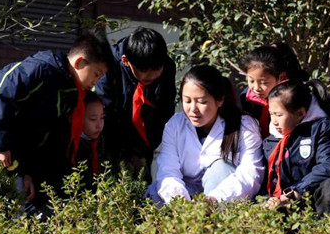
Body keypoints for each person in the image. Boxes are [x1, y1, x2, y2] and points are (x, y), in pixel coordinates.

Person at [0, 32, 111, 213]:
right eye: (96, 74)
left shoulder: (69, 89)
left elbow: (39, 134)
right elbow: (3, 95)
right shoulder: (41, 68)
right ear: (79, 62)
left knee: (10, 209)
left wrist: (26, 172)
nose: (97, 82)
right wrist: (0, 146)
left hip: (9, 148)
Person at [148, 65, 264, 204]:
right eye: (187, 101)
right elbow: (168, 170)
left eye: (202, 102)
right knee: (155, 192)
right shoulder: (175, 125)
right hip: (186, 195)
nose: (193, 109)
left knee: (221, 168)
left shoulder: (244, 126)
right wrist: (180, 202)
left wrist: (214, 200)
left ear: (219, 100)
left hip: (223, 197)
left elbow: (250, 173)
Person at [95, 27, 177, 182]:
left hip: (144, 141)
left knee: (140, 187)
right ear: (126, 61)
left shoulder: (167, 66)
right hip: (110, 137)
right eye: (144, 70)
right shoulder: (109, 63)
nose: (151, 75)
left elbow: (165, 108)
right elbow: (104, 108)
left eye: (157, 69)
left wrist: (148, 144)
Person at [261, 80, 330, 214]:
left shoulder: (323, 128)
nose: (274, 121)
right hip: (284, 202)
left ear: (301, 113)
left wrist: (295, 191)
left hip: (311, 199)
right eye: (271, 114)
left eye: (279, 115)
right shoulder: (272, 140)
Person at [239, 43, 308, 138]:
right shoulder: (247, 98)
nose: (256, 88)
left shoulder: (294, 96)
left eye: (264, 82)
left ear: (281, 77)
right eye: (251, 80)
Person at [71, 91, 105, 190]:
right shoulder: (72, 146)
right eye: (93, 119)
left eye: (102, 118)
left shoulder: (104, 140)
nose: (99, 125)